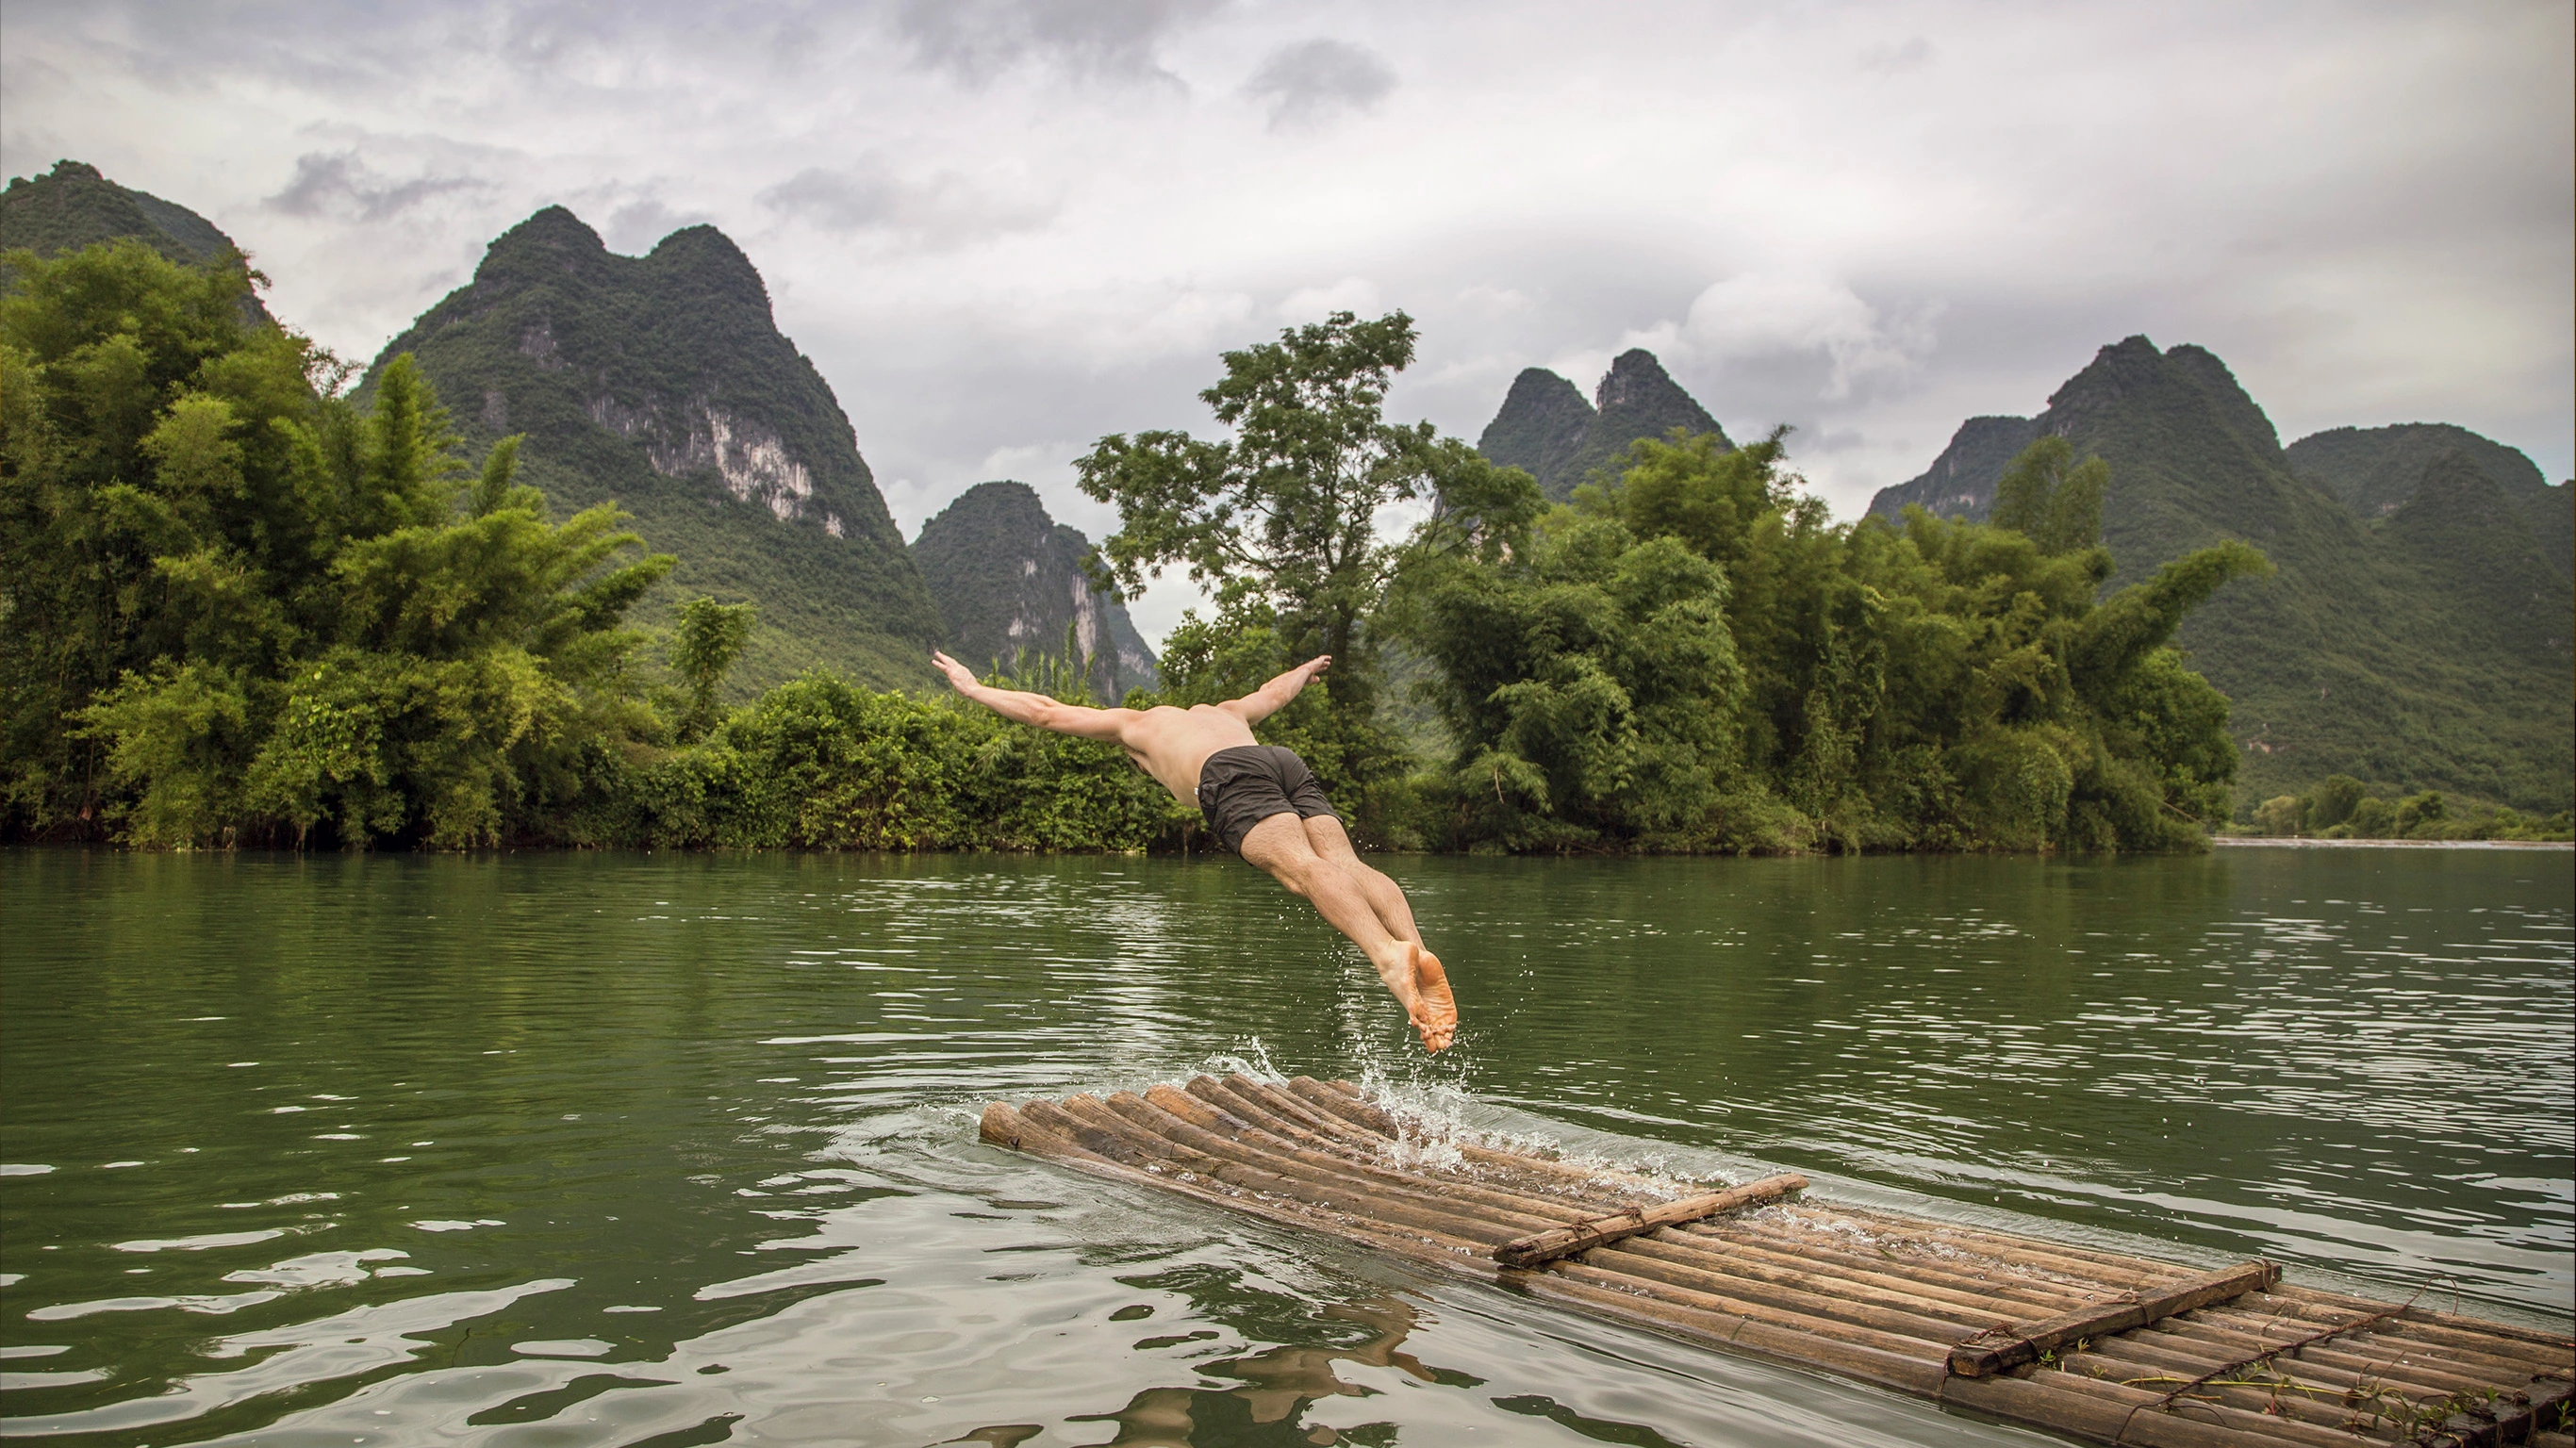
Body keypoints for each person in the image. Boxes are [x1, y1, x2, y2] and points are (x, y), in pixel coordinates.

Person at [932, 650, 1457, 1053]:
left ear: (1137, 759)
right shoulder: (1225, 711)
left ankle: (1388, 956)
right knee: (1347, 864)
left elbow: (1045, 713)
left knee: (1303, 869)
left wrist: (975, 688)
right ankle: (1417, 948)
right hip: (1278, 759)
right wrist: (1305, 670)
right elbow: (1273, 693)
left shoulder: (1134, 726)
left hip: (1226, 773)